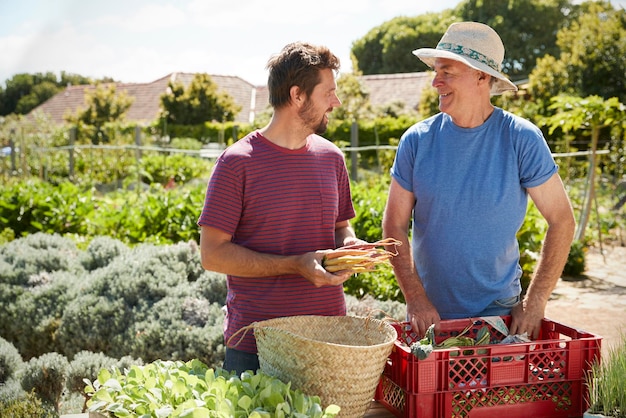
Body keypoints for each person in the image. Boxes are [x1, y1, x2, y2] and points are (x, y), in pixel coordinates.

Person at [382, 22, 575, 341]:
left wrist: (535, 301)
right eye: (435, 71)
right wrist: (416, 299)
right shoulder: (416, 141)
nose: (435, 81)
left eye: (447, 71)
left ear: (482, 76)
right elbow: (394, 226)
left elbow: (561, 220)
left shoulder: (520, 138)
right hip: (430, 318)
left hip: (500, 315)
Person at [197, 41, 363, 375]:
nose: (337, 102)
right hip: (255, 348)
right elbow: (212, 255)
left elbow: (341, 226)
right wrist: (295, 265)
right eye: (328, 92)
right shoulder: (236, 163)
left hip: (328, 338)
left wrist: (349, 245)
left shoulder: (332, 158)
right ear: (298, 95)